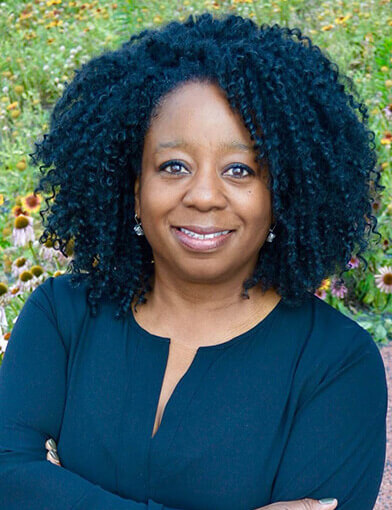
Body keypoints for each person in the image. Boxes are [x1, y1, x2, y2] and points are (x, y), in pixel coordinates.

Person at [0, 11, 387, 510]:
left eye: (240, 169)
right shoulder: (63, 314)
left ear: (280, 195)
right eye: (174, 165)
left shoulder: (336, 364)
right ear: (136, 188)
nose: (204, 195)